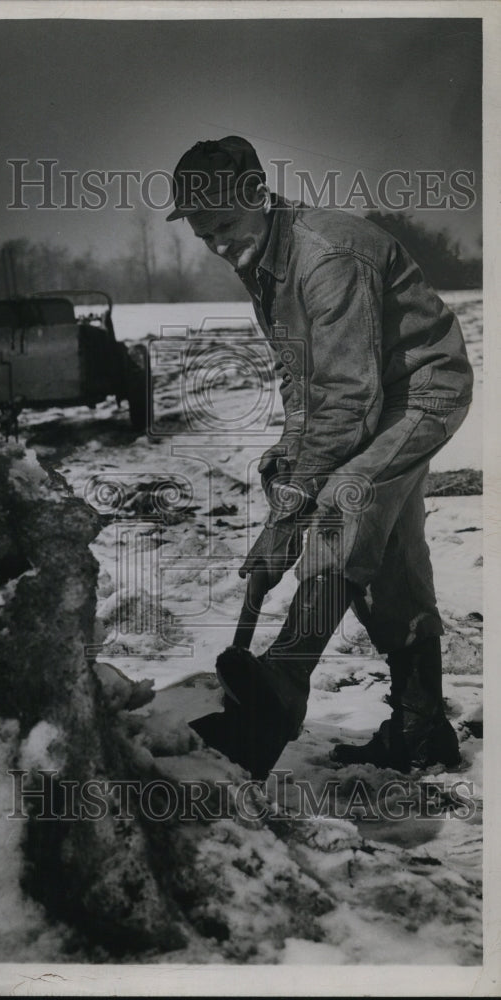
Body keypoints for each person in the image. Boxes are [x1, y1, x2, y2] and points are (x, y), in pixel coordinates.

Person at [168, 136, 473, 778]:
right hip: (371, 391)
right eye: (204, 234)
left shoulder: (326, 254)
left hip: (421, 388)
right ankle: (420, 727)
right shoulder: (263, 262)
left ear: (256, 195)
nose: (218, 244)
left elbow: (350, 396)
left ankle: (286, 677)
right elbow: (303, 376)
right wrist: (291, 457)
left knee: (344, 501)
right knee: (386, 547)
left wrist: (296, 507)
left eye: (223, 224)